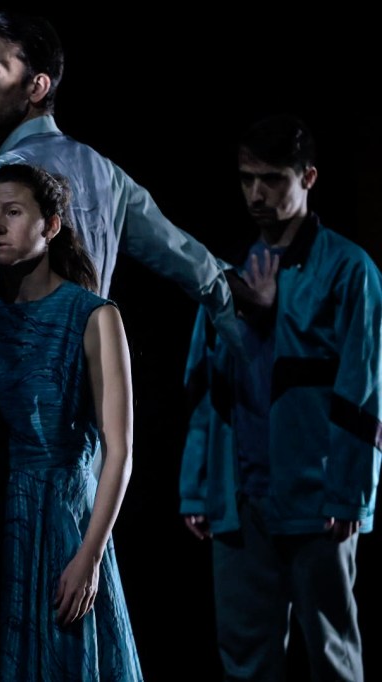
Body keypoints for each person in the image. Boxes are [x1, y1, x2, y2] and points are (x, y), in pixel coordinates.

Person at [179, 115, 380, 681]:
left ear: (308, 177)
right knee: (245, 657)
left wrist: (350, 494)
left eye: (271, 179)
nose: (256, 193)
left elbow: (362, 390)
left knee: (332, 654)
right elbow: (204, 386)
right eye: (247, 178)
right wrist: (198, 484)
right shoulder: (227, 275)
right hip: (241, 496)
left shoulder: (349, 269)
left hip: (317, 496)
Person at [0, 11, 239, 350]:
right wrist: (237, 287)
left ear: (37, 86)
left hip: (20, 378)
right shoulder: (105, 173)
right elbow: (182, 255)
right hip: (98, 373)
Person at [0, 163, 143, 680]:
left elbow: (120, 451)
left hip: (66, 518)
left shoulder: (93, 315)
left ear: (50, 226)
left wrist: (89, 555)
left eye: (12, 212)